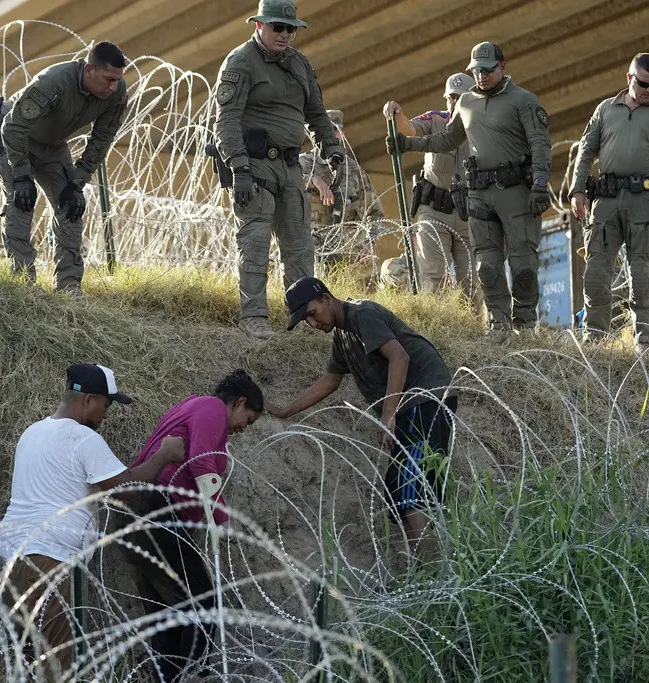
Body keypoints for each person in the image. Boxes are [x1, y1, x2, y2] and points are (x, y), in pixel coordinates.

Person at [0, 363, 185, 681]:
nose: (106, 414)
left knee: (26, 664)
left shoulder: (32, 432)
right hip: (48, 562)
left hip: (10, 559)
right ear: (88, 400)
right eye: (106, 405)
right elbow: (125, 489)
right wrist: (164, 455)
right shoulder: (82, 438)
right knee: (58, 667)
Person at [268, 277, 455, 558]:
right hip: (412, 406)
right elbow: (331, 381)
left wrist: (388, 414)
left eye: (311, 313)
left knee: (411, 489)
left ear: (327, 298)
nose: (312, 323)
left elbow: (399, 357)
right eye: (305, 320)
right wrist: (285, 411)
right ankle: (426, 572)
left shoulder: (362, 314)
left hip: (427, 397)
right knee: (399, 488)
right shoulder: (343, 336)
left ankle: (433, 574)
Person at [386, 42, 552, 343]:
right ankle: (498, 326)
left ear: (502, 66)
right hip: (480, 194)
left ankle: (525, 326)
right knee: (486, 265)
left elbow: (541, 144)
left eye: (487, 70)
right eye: (476, 70)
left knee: (523, 264)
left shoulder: (524, 101)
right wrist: (408, 145)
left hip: (516, 192)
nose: (481, 76)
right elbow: (447, 139)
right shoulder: (466, 103)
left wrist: (540, 184)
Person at [120, 370, 265, 682]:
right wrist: (221, 520)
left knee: (168, 611)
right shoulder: (212, 408)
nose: (244, 428)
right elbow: (201, 461)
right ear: (238, 403)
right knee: (202, 601)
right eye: (248, 419)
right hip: (156, 510)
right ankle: (193, 674)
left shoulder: (190, 406)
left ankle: (168, 676)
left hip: (138, 514)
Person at [214, 0, 345, 340]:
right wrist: (238, 167)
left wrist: (332, 149)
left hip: (289, 166)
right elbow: (225, 120)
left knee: (300, 248)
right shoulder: (241, 61)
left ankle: (306, 321)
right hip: (254, 165)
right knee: (255, 244)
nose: (285, 34)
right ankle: (254, 317)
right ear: (259, 26)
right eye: (278, 27)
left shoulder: (300, 64)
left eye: (291, 29)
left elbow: (316, 114)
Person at [569, 52, 649, 351]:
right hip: (606, 201)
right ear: (629, 79)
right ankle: (594, 340)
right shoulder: (606, 109)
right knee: (597, 272)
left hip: (645, 202)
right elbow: (586, 151)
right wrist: (577, 189)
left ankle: (645, 342)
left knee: (640, 274)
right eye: (643, 84)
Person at [0, 41, 129, 294]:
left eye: (117, 80)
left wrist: (77, 181)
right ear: (89, 70)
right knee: (21, 201)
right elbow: (13, 127)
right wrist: (22, 175)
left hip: (52, 146)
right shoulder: (54, 81)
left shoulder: (116, 92)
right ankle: (22, 283)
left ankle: (68, 285)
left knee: (72, 205)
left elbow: (102, 139)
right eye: (108, 79)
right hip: (13, 139)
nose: (113, 87)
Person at [383, 73, 479, 303]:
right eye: (451, 98)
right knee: (434, 277)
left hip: (469, 215)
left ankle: (473, 335)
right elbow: (409, 129)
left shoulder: (482, 128)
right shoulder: (436, 120)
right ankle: (434, 329)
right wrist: (397, 113)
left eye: (461, 98)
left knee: (472, 284)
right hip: (435, 211)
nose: (454, 102)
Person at [300, 109, 385, 272]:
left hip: (345, 251)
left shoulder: (354, 171)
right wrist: (312, 180)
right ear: (314, 134)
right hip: (308, 249)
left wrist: (370, 243)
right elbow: (281, 187)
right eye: (326, 130)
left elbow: (374, 212)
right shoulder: (303, 165)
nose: (331, 135)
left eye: (335, 130)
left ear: (342, 134)